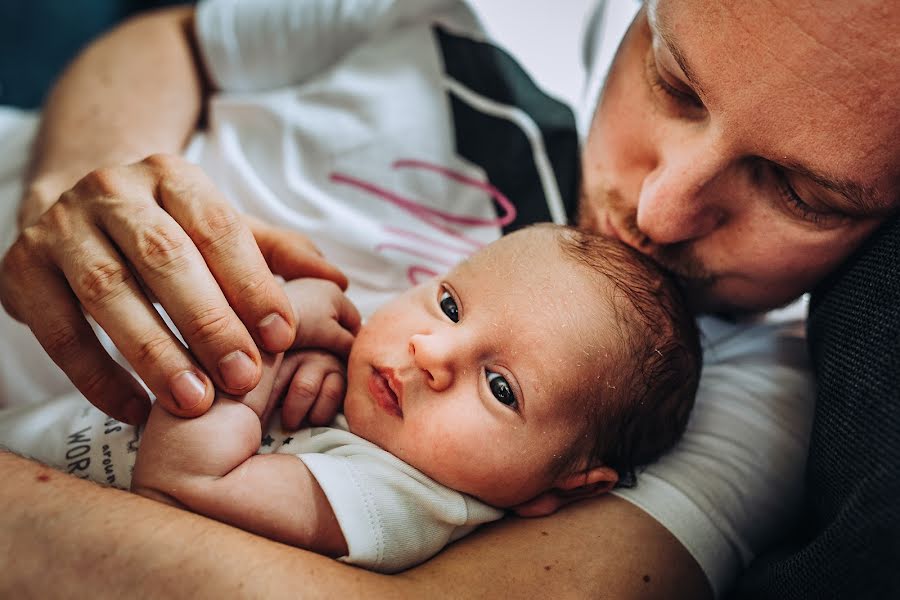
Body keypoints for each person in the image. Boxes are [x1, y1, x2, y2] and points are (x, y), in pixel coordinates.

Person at [0, 0, 895, 597]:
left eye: (801, 191)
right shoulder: (491, 13)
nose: (660, 212)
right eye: (672, 81)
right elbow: (181, 39)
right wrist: (71, 192)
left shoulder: (753, 394)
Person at [0, 224, 701, 573]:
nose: (430, 351)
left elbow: (188, 475)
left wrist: (271, 338)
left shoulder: (401, 501)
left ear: (566, 488)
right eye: (451, 304)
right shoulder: (377, 416)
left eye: (500, 387)